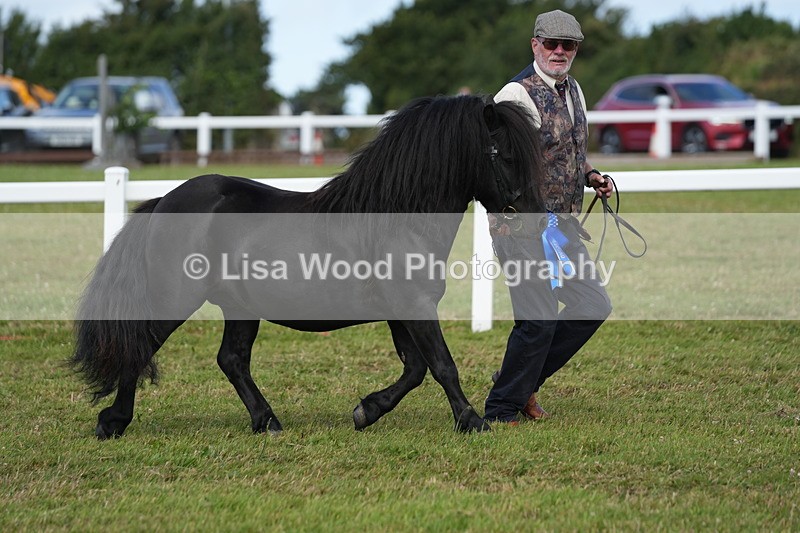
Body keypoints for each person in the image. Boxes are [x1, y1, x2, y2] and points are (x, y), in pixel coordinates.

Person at [484, 9, 614, 424]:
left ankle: (516, 384)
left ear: (576, 49)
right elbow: (500, 166)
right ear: (535, 45)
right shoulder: (514, 96)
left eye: (568, 45)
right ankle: (502, 407)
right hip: (520, 227)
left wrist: (590, 174)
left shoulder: (573, 90)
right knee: (536, 321)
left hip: (561, 228)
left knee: (591, 304)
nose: (560, 52)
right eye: (552, 44)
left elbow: (567, 151)